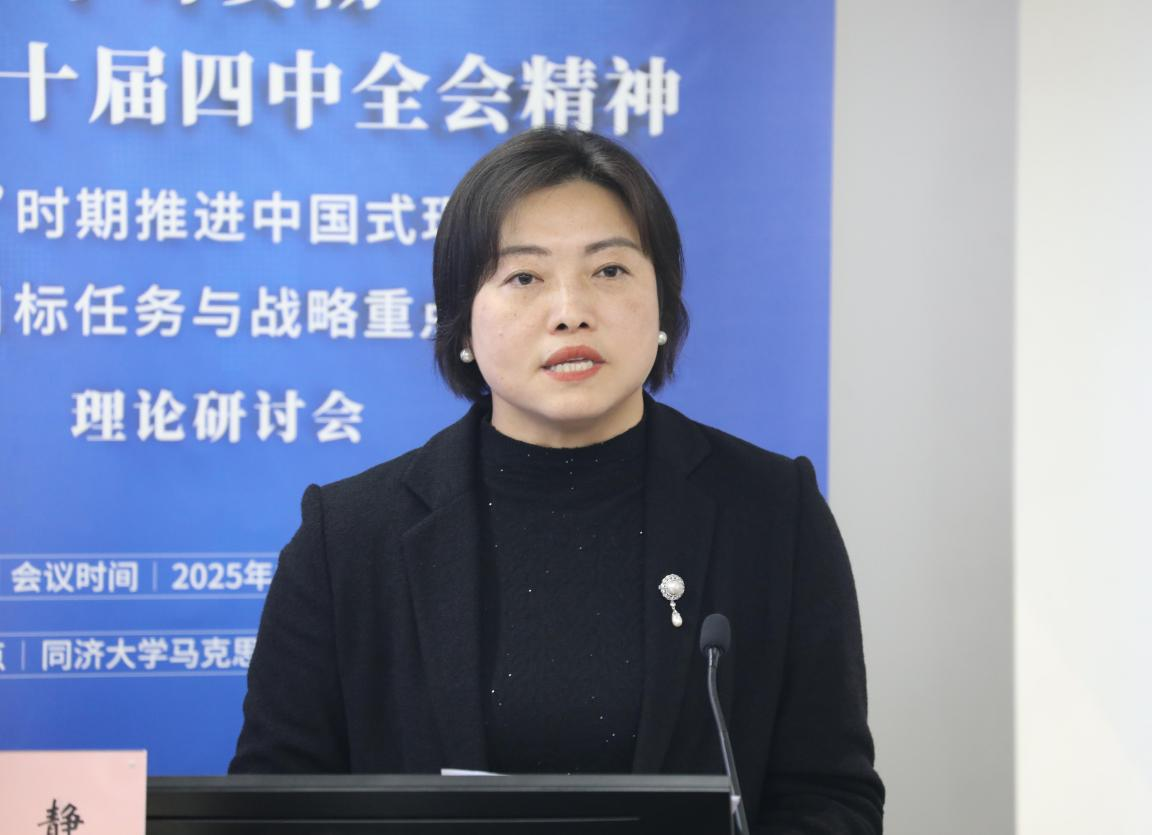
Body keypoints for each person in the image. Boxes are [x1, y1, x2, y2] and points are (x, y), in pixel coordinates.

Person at [229, 127, 885, 833]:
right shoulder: (349, 537)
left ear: (663, 302)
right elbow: (273, 806)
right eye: (524, 277)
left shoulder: (772, 512)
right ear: (463, 324)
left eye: (610, 270)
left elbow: (831, 797)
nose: (571, 309)